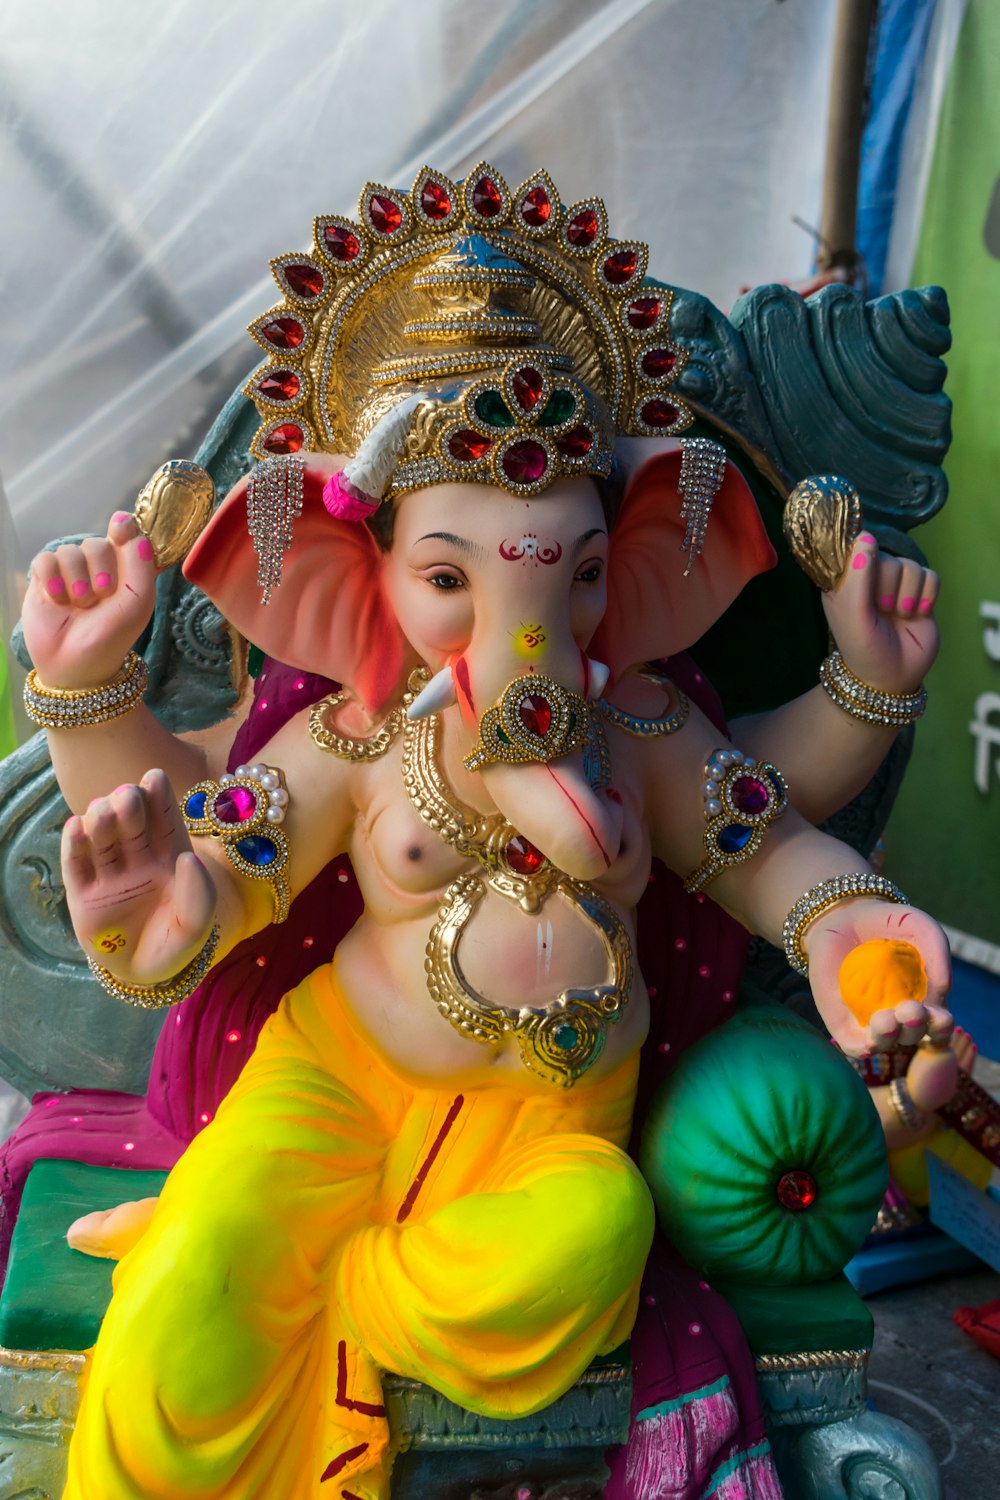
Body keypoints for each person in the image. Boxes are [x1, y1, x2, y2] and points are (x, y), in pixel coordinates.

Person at [19, 165, 951, 1500]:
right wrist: (165, 922)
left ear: (624, 572)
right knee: (187, 1295)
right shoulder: (356, 734)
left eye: (570, 580)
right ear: (363, 583)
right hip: (333, 1086)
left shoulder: (634, 726)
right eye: (451, 580)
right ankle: (266, 1263)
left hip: (548, 1128)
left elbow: (770, 852)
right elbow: (229, 865)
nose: (528, 639)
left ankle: (331, 1288)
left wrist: (852, 935)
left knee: (596, 1233)